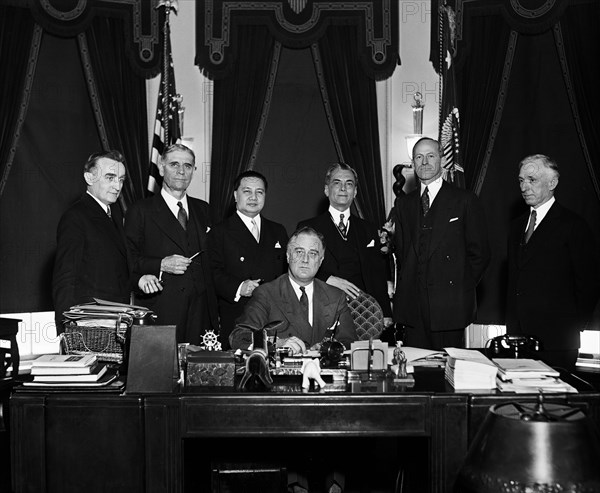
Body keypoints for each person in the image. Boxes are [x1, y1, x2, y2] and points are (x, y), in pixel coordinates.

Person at [392, 137, 490, 349]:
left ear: (443, 160)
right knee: (415, 373)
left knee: (446, 374)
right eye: (418, 157)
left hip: (449, 308)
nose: (424, 162)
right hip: (413, 308)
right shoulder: (403, 204)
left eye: (430, 156)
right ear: (413, 163)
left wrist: (458, 289)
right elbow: (401, 252)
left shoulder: (465, 200)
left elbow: (480, 254)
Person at [506, 154, 600, 371]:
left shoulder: (574, 225)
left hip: (557, 341)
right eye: (521, 180)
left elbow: (589, 284)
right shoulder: (516, 226)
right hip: (519, 340)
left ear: (552, 183)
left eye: (532, 179)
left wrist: (569, 327)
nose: (524, 187)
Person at [124, 144, 218, 344]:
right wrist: (161, 264)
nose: (181, 171)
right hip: (161, 313)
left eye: (188, 165)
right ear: (161, 167)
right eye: (174, 164)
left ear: (194, 170)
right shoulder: (140, 210)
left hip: (202, 316)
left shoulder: (204, 209)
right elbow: (126, 259)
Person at [229, 226, 356, 354]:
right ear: (288, 256)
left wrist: (330, 348)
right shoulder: (266, 293)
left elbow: (349, 341)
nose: (305, 260)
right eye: (299, 252)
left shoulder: (336, 296)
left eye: (312, 253)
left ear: (321, 260)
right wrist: (276, 344)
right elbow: (238, 337)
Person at [297, 163, 392, 326]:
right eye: (337, 183)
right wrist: (327, 279)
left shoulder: (369, 229)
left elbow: (378, 274)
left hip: (363, 315)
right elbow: (296, 269)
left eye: (349, 184)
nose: (343, 188)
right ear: (326, 190)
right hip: (323, 311)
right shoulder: (308, 228)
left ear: (355, 192)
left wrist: (385, 312)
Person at [53, 150, 132, 333]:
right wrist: (66, 326)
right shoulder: (76, 217)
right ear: (89, 178)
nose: (117, 186)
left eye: (121, 180)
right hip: (89, 324)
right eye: (110, 178)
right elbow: (65, 277)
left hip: (116, 319)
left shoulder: (114, 214)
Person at [208, 170, 288, 348]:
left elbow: (286, 272)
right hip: (238, 316)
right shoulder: (219, 232)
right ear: (236, 195)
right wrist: (239, 287)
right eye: (247, 191)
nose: (254, 197)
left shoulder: (278, 231)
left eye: (259, 192)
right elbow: (212, 272)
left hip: (273, 317)